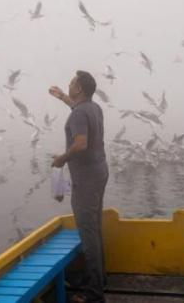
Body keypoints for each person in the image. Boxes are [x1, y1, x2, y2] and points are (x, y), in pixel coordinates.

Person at [49, 70, 109, 303]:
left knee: (88, 233)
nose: (69, 83)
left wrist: (62, 158)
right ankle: (99, 280)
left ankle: (94, 296)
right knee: (95, 227)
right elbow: (78, 110)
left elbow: (81, 143)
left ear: (80, 88)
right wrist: (63, 96)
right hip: (100, 172)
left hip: (86, 179)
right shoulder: (93, 108)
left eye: (72, 82)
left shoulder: (79, 114)